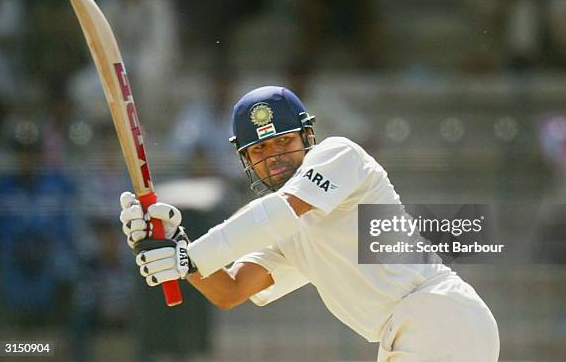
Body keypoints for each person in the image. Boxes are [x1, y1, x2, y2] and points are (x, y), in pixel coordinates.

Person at [119, 86, 500, 361]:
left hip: (439, 314)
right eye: (259, 150)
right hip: (410, 333)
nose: (273, 158)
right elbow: (231, 290)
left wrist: (191, 256)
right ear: (246, 160)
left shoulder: (340, 156)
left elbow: (279, 210)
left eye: (283, 142)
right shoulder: (287, 234)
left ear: (307, 137)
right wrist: (174, 242)